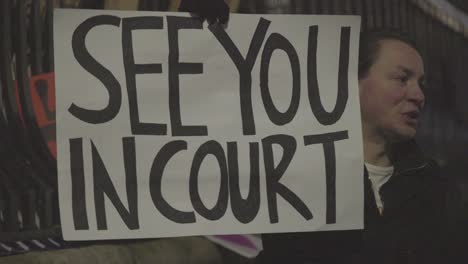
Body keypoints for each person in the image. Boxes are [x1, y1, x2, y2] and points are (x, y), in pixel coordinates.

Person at [179, 1, 450, 263]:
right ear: (351, 81)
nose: (418, 95)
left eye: (421, 83)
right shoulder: (286, 172)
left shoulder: (435, 188)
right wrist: (192, 37)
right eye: (402, 79)